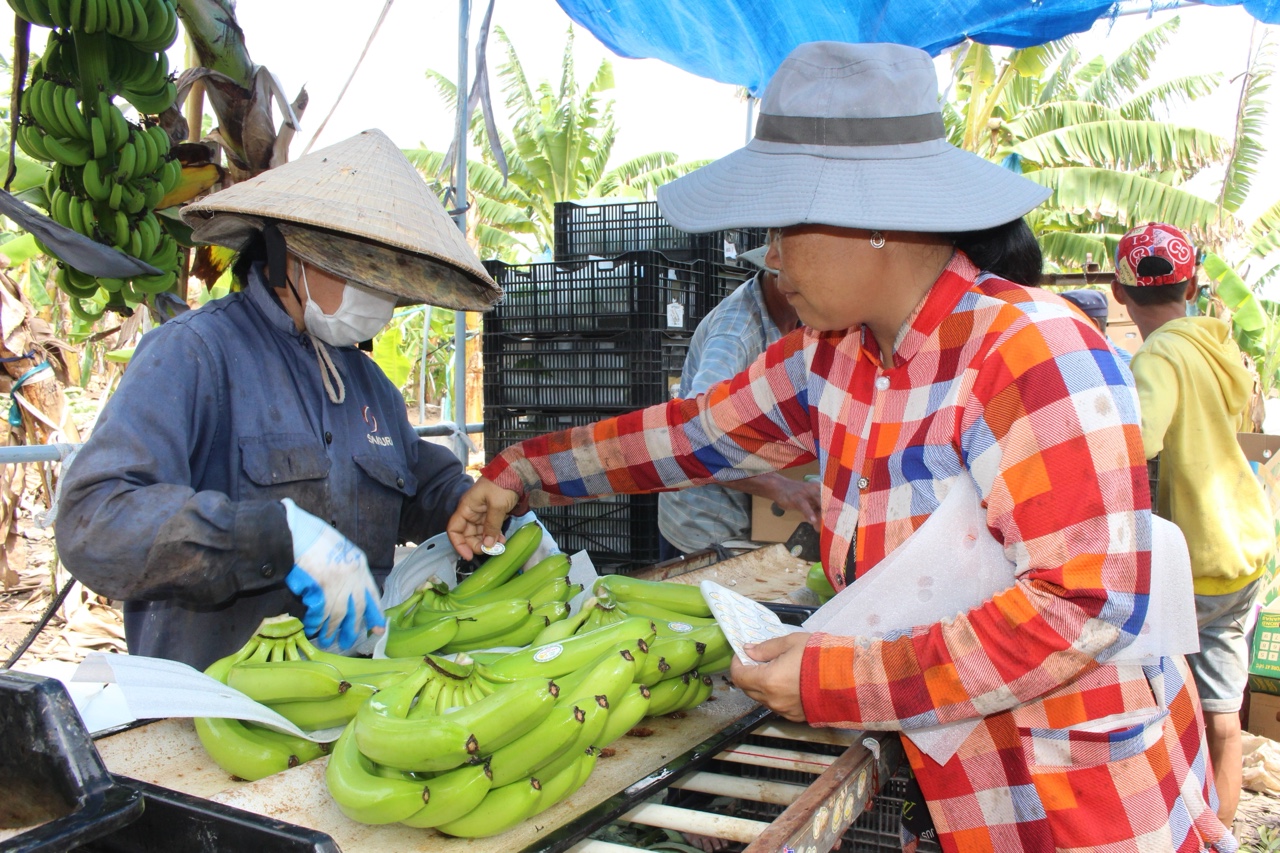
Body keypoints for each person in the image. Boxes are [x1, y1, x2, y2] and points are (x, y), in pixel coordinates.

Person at [447, 43, 1233, 851]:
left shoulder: (1031, 350)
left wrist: (835, 679)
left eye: (787, 225)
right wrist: (524, 472)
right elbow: (690, 435)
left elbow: (1081, 605)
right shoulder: (833, 359)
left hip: (1075, 799)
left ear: (879, 220)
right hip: (953, 784)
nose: (772, 256)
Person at [55, 130, 502, 670]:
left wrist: (462, 502)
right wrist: (271, 536)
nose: (378, 296)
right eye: (357, 270)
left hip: (352, 695)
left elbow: (409, 488)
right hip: (212, 712)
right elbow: (95, 519)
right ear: (284, 256)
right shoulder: (194, 354)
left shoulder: (366, 381)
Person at [1112, 221, 1273, 829]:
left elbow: (1139, 441)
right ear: (1195, 281)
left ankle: (1177, 827)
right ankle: (1225, 836)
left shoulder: (1159, 354)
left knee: (1170, 710)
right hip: (1244, 543)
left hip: (1194, 555)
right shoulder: (1216, 343)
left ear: (1119, 293)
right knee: (1222, 710)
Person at [657, 240, 820, 559]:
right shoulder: (735, 336)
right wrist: (780, 487)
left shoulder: (795, 317)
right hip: (704, 524)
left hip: (750, 513)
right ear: (779, 275)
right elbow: (694, 439)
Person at [1059, 287, 1132, 365]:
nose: (1062, 331)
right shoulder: (1068, 361)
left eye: (1068, 324)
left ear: (1092, 325)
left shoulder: (1125, 365)